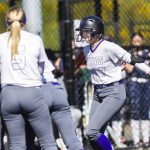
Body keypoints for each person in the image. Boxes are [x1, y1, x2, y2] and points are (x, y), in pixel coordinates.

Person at [75, 16, 150, 150]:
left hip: (114, 92)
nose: (83, 34)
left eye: (86, 31)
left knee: (91, 131)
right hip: (98, 93)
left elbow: (132, 59)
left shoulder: (109, 47)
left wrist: (148, 70)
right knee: (93, 136)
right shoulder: (86, 50)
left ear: (96, 32)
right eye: (82, 31)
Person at [0, 6, 57, 150]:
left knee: (17, 144)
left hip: (8, 94)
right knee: (48, 142)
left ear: (7, 22)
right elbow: (42, 69)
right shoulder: (35, 39)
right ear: (24, 22)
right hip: (32, 93)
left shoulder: (0, 40)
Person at [127, 32, 150, 148]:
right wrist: (136, 57)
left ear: (142, 41)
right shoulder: (129, 54)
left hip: (146, 84)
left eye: (139, 41)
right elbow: (129, 70)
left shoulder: (147, 53)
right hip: (134, 83)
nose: (137, 43)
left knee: (145, 112)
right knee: (135, 111)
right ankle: (136, 140)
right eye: (134, 41)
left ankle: (146, 139)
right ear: (131, 42)